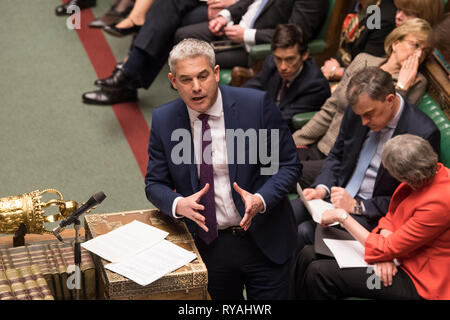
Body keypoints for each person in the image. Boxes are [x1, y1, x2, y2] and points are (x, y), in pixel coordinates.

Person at [144, 39, 301, 299]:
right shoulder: (165, 120)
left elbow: (287, 166)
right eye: (186, 80)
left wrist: (261, 200)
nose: (196, 88)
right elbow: (155, 183)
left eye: (203, 76)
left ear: (216, 73)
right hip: (210, 246)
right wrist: (177, 204)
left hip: (264, 237)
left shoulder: (256, 107)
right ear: (173, 81)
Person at [291, 66, 440, 251]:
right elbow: (337, 155)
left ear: (390, 100)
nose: (363, 122)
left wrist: (358, 206)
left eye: (369, 114)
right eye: (360, 115)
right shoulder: (360, 110)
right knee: (285, 214)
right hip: (335, 195)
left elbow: (409, 199)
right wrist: (322, 188)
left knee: (306, 231)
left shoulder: (422, 133)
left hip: (371, 212)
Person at [294, 134, 450, 300]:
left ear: (408, 176)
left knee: (319, 274)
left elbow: (386, 245)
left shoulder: (440, 202)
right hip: (396, 254)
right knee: (307, 254)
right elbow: (390, 216)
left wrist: (343, 217)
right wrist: (385, 253)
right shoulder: (423, 174)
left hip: (417, 279)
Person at [293, 18, 432, 189]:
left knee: (277, 170)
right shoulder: (363, 61)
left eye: (425, 52)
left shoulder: (415, 83)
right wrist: (296, 140)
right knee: (265, 157)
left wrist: (402, 87)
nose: (418, 55)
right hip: (320, 145)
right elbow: (330, 108)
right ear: (396, 43)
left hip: (346, 159)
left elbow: (390, 125)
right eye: (415, 45)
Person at [82, 0, 235, 105]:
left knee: (169, 17)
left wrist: (232, 5)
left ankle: (128, 74)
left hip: (237, 14)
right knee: (166, 9)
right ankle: (129, 77)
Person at [174, 0, 329, 69]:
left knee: (193, 58)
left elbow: (296, 34)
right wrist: (225, 16)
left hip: (257, 47)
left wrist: (248, 35)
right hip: (236, 28)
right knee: (183, 36)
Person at [242, 24, 330, 132]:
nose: (283, 67)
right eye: (278, 59)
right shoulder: (272, 62)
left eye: (290, 59)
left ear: (305, 54)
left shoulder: (315, 86)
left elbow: (282, 119)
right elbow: (257, 84)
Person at [320, 0, 396, 82]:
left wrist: (337, 71)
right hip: (342, 69)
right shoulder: (359, 4)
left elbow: (368, 73)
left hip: (359, 83)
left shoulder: (384, 18)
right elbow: (346, 47)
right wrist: (333, 65)